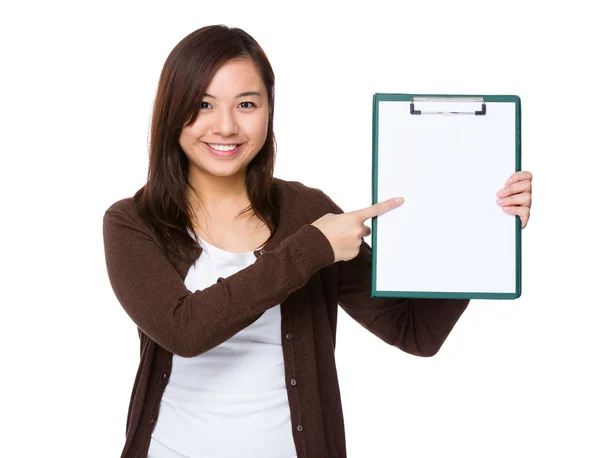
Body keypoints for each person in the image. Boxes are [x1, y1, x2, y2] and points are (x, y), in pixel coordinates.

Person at [102, 24, 533, 458]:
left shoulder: (307, 212)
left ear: (269, 109)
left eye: (246, 104)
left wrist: (482, 231)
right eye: (203, 104)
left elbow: (415, 332)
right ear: (172, 110)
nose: (226, 126)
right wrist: (312, 248)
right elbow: (185, 330)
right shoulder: (133, 222)